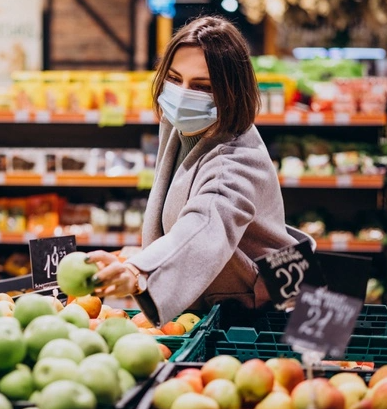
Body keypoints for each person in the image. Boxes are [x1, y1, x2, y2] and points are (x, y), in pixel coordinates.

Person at [86, 16, 313, 327]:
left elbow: (206, 224)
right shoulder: (181, 127)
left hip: (261, 316)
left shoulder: (235, 161)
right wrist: (142, 253)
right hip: (217, 304)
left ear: (232, 91)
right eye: (175, 78)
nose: (181, 94)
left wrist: (140, 271)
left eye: (202, 86)